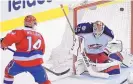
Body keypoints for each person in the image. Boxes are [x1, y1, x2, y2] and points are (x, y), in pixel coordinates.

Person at [0, 15, 51, 84]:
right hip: (36, 64)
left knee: (8, 72)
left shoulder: (20, 31)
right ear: (34, 23)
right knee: (44, 81)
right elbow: (42, 50)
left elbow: (8, 39)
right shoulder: (39, 35)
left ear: (24, 22)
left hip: (19, 63)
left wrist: (3, 44)